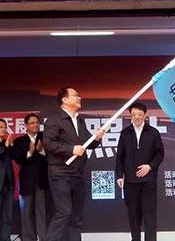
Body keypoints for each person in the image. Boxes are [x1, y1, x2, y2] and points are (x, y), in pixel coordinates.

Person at [44, 87, 105, 241]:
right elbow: (48, 144)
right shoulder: (54, 119)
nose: (79, 98)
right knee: (64, 211)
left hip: (78, 173)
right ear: (64, 99)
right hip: (60, 173)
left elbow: (87, 143)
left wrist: (97, 137)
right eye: (75, 95)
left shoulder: (79, 120)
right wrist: (71, 149)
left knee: (76, 216)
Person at [116, 102, 164, 241]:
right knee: (133, 214)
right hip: (130, 182)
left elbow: (160, 154)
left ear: (145, 115)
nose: (136, 117)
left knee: (150, 214)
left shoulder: (153, 132)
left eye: (139, 114)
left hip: (148, 181)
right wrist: (119, 175)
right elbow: (119, 156)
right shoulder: (125, 133)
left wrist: (149, 166)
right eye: (134, 115)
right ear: (130, 115)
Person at [13, 113, 50, 241]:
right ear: (26, 125)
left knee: (42, 212)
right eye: (32, 123)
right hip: (26, 182)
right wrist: (29, 152)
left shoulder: (45, 138)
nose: (35, 125)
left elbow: (52, 157)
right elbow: (17, 159)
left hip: (42, 181)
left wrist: (41, 151)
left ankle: (43, 238)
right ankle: (28, 238)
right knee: (26, 212)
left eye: (37, 122)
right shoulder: (19, 141)